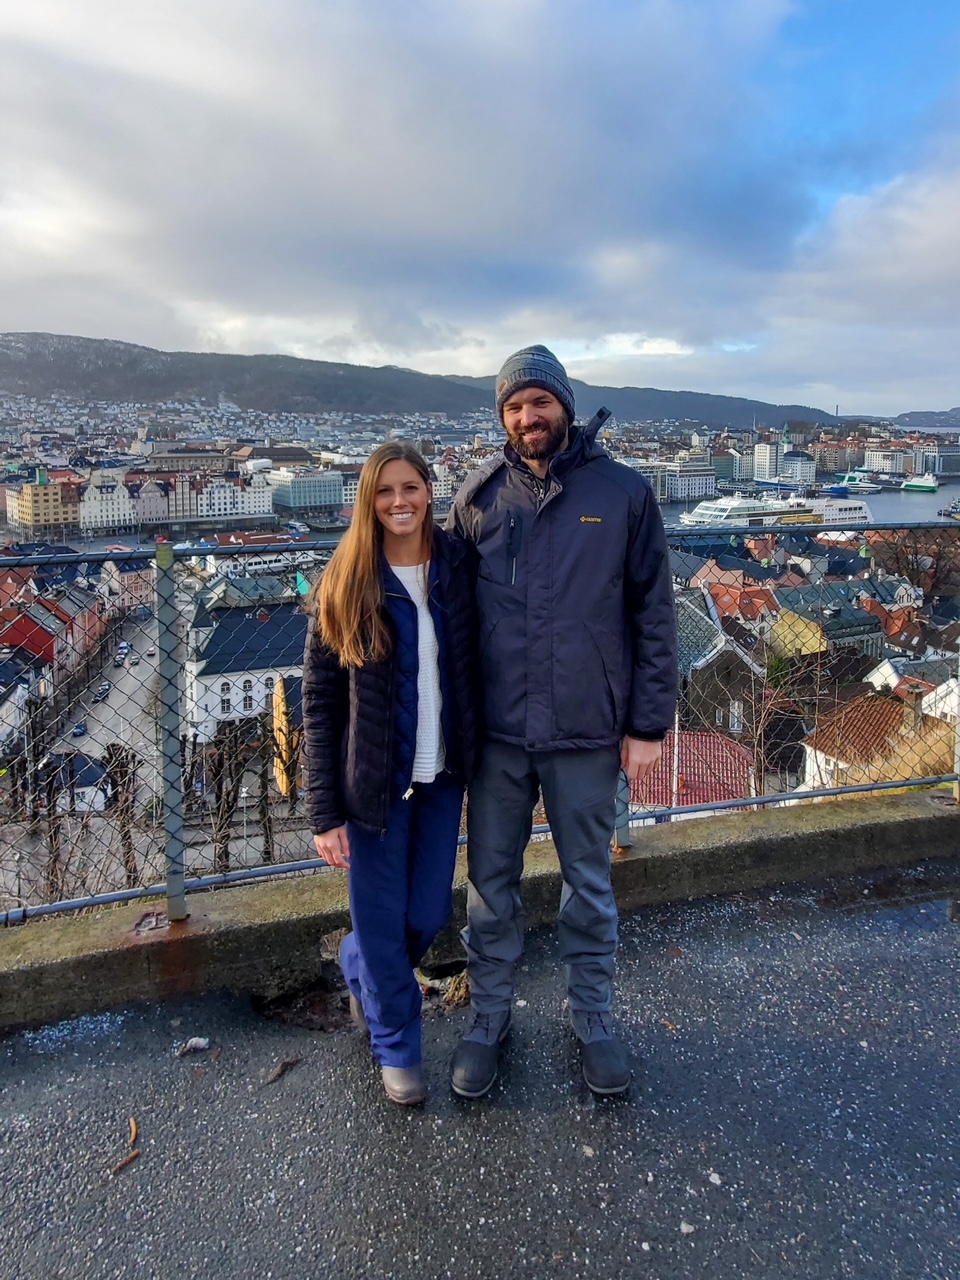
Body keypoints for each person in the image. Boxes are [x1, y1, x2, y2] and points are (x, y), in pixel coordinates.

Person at [446, 345, 677, 1098]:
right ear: (503, 418)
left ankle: (594, 1017)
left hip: (586, 727)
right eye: (514, 406)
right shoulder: (478, 499)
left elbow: (653, 616)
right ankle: (487, 1019)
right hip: (501, 736)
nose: (527, 417)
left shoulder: (623, 495)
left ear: (565, 406)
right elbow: (444, 614)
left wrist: (648, 724)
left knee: (588, 882)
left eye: (538, 402)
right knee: (490, 885)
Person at [302, 441, 479, 1106]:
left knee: (427, 913)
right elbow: (319, 704)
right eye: (385, 491)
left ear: (430, 491)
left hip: (441, 775)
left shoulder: (458, 567)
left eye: (410, 487)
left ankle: (358, 967)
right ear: (368, 501)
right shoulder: (346, 579)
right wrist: (324, 813)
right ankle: (398, 1042)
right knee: (380, 922)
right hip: (373, 784)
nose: (399, 501)